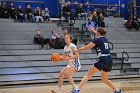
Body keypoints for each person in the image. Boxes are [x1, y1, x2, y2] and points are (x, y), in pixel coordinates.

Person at [72, 26, 121, 93]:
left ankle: (77, 90)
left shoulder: (97, 40)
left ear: (98, 33)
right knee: (104, 78)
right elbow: (99, 35)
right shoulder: (105, 39)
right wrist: (93, 31)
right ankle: (117, 90)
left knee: (88, 75)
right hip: (109, 60)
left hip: (103, 59)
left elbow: (87, 47)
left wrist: (77, 50)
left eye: (96, 32)